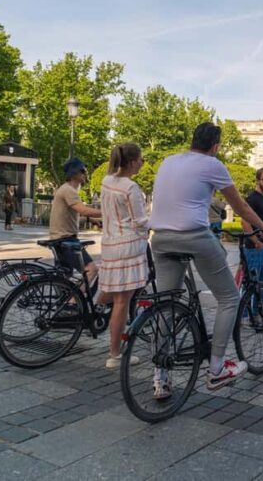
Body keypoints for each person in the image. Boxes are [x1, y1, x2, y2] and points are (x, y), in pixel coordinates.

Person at [150, 122, 263, 391]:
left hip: (161, 237)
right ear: (215, 147)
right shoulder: (212, 164)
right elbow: (240, 207)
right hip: (193, 236)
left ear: (192, 140)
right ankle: (216, 369)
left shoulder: (168, 161)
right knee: (229, 298)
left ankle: (160, 376)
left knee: (167, 304)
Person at [99, 143, 150, 371]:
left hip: (109, 244)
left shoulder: (106, 181)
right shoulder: (130, 187)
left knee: (112, 293)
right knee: (122, 302)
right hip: (128, 247)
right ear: (131, 162)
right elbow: (139, 221)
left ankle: (91, 307)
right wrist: (158, 221)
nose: (142, 163)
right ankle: (114, 354)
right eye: (140, 160)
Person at [49, 157, 102, 282]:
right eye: (82, 170)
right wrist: (109, 212)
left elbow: (71, 218)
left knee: (63, 280)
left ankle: (68, 295)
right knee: (91, 269)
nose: (85, 173)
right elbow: (83, 210)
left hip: (59, 239)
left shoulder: (65, 189)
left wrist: (90, 220)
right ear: (74, 173)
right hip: (66, 240)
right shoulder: (68, 190)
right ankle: (76, 296)